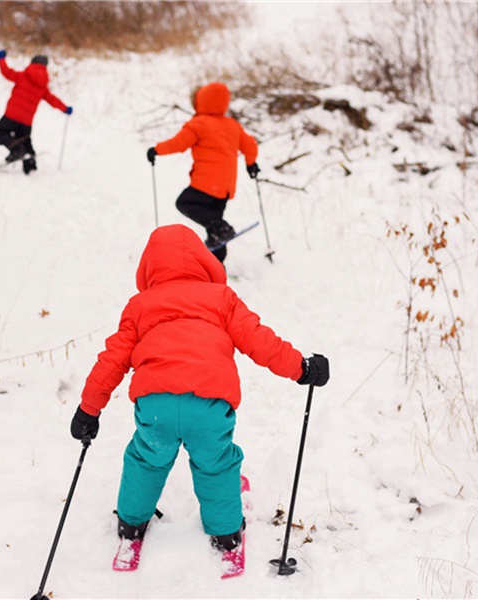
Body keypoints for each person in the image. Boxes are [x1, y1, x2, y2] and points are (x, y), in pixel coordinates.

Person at [70, 224, 330, 566]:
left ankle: (131, 524)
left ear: (148, 267)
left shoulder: (140, 306)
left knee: (147, 459)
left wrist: (89, 410)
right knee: (216, 463)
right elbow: (259, 340)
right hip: (207, 405)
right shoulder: (221, 299)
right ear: (204, 261)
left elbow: (112, 360)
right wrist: (301, 368)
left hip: (156, 406)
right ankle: (225, 534)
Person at [146, 82, 260, 263]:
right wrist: (251, 164)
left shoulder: (198, 124)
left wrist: (156, 150)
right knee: (214, 226)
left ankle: (221, 228)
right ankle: (218, 263)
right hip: (226, 187)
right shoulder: (232, 125)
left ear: (200, 101)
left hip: (206, 183)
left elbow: (179, 143)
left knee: (185, 203)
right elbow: (251, 146)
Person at [0, 50, 72, 175]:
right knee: (25, 139)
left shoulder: (23, 76)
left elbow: (6, 72)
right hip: (26, 121)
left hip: (12, 115)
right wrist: (65, 108)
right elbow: (52, 100)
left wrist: (1, 59)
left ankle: (17, 150)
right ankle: (30, 167)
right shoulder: (43, 86)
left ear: (32, 63)